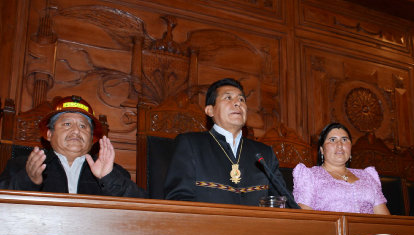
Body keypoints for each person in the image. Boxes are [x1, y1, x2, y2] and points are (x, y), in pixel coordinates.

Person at [164, 78, 291, 206]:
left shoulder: (264, 154)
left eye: (241, 99)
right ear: (210, 110)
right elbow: (178, 201)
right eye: (228, 98)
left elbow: (283, 204)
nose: (237, 103)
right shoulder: (190, 144)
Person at [0, 95, 147, 198]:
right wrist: (28, 180)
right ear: (50, 134)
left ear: (92, 139)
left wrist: (109, 179)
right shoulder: (21, 166)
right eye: (67, 124)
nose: (76, 131)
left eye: (83, 126)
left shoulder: (112, 171)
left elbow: (144, 210)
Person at [292, 122, 390, 214]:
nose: (340, 145)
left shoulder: (368, 176)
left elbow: (385, 220)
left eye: (344, 139)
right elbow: (305, 219)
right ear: (322, 150)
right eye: (332, 140)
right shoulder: (309, 175)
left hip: (373, 231)